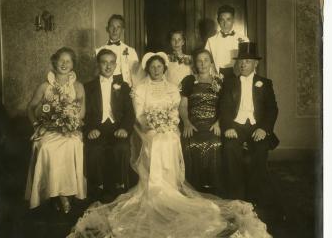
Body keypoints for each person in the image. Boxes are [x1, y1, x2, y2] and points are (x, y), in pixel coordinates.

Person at [67, 52, 272, 238]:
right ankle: (155, 186)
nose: (156, 70)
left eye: (159, 67)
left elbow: (175, 112)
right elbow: (138, 115)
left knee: (171, 138)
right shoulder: (140, 88)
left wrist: (168, 123)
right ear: (147, 69)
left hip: (168, 127)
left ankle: (170, 184)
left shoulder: (173, 88)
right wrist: (153, 124)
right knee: (156, 140)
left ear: (164, 68)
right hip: (147, 128)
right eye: (153, 67)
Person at [25, 47, 86, 213]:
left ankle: (65, 193)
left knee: (72, 144)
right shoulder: (45, 86)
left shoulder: (78, 86)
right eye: (61, 60)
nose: (64, 64)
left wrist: (69, 120)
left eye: (68, 61)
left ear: (73, 64)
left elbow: (81, 113)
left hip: (69, 130)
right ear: (54, 61)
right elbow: (30, 108)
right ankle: (54, 194)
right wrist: (37, 125)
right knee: (45, 147)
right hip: (49, 129)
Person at [220, 42, 279, 203]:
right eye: (241, 61)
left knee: (260, 148)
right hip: (236, 125)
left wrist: (264, 129)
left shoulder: (265, 83)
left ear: (255, 63)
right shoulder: (229, 82)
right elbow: (223, 108)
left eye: (247, 61)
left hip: (256, 126)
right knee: (230, 147)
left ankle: (255, 195)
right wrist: (228, 127)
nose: (243, 64)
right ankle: (236, 195)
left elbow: (272, 110)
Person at [84, 49, 135, 199]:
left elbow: (129, 112)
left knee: (122, 147)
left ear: (115, 65)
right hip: (97, 128)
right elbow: (83, 113)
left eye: (111, 63)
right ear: (98, 64)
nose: (108, 66)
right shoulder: (88, 87)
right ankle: (97, 186)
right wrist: (90, 129)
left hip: (117, 128)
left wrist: (125, 128)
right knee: (94, 148)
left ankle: (120, 184)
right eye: (104, 62)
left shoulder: (123, 86)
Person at [179, 49, 224, 196]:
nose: (203, 63)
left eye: (206, 60)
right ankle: (194, 187)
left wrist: (218, 123)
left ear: (211, 62)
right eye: (199, 60)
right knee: (190, 143)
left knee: (216, 142)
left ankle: (213, 187)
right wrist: (186, 122)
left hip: (213, 123)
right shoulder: (188, 80)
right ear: (195, 64)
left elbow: (226, 106)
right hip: (193, 123)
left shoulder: (219, 81)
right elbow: (183, 105)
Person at [205, 5, 249, 79]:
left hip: (239, 77)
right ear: (218, 21)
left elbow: (249, 62)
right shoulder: (211, 41)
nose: (225, 24)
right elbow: (206, 62)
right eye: (222, 20)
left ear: (233, 20)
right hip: (217, 78)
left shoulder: (244, 39)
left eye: (228, 19)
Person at [95, 14, 139, 87]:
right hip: (105, 84)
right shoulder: (98, 51)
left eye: (118, 27)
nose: (115, 30)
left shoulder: (131, 51)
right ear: (107, 29)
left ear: (123, 30)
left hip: (125, 85)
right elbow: (96, 74)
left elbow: (136, 74)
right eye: (112, 26)